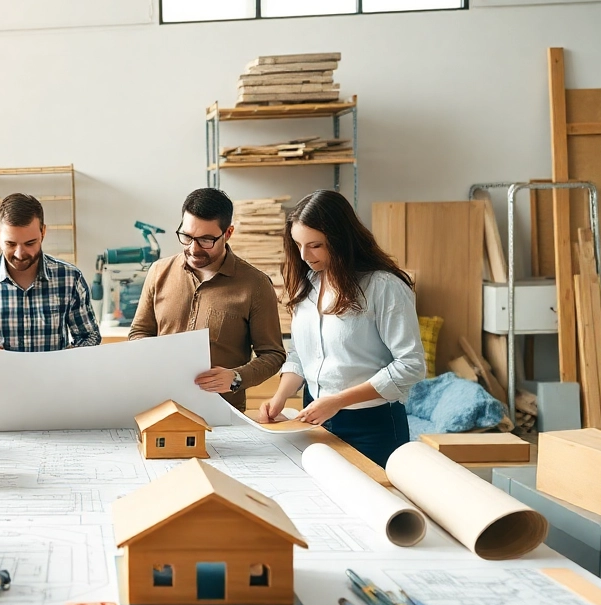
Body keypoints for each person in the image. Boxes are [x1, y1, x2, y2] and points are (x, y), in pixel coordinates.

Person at [258, 189, 426, 467]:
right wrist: (279, 397)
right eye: (298, 245)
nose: (304, 256)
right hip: (313, 420)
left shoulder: (383, 287)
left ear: (340, 240)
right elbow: (301, 355)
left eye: (315, 245)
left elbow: (411, 365)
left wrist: (337, 400)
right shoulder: (306, 285)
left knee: (373, 504)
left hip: (372, 426)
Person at [130, 187, 286, 412]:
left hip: (223, 413)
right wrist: (153, 358)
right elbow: (139, 333)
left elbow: (273, 354)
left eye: (205, 240)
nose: (193, 249)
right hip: (160, 408)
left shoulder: (256, 284)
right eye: (186, 236)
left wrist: (236, 377)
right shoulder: (158, 272)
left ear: (228, 233)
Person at [0, 193, 100, 352]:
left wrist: (67, 358)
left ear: (43, 233)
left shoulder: (70, 279)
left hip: (55, 376)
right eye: (10, 244)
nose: (19, 254)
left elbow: (89, 337)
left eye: (30, 243)